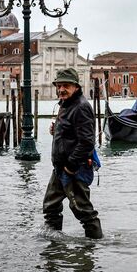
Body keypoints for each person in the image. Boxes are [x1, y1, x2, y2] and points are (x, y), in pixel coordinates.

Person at [43, 68, 103, 239]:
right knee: (50, 206)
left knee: (83, 210)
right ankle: (53, 245)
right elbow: (73, 135)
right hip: (61, 167)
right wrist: (57, 131)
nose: (61, 89)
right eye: (59, 85)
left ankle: (93, 248)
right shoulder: (66, 104)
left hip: (75, 168)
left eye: (66, 85)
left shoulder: (81, 107)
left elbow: (86, 142)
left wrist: (70, 166)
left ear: (76, 87)